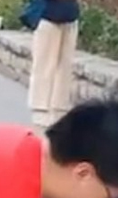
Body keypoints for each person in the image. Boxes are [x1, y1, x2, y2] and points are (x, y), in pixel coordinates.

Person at [27, 0, 80, 128]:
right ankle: (40, 109)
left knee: (65, 67)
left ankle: (60, 108)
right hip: (48, 16)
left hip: (70, 16)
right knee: (44, 65)